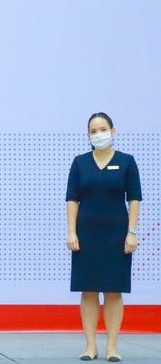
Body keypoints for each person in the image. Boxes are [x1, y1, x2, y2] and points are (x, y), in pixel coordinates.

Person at [66, 112, 142, 363]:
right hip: (86, 234)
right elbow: (72, 199)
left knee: (113, 291)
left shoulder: (127, 161)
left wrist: (131, 232)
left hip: (116, 234)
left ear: (113, 131)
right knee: (88, 290)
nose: (99, 134)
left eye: (103, 129)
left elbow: (134, 199)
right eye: (94, 131)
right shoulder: (80, 162)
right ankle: (90, 347)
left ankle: (112, 348)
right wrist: (71, 231)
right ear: (88, 135)